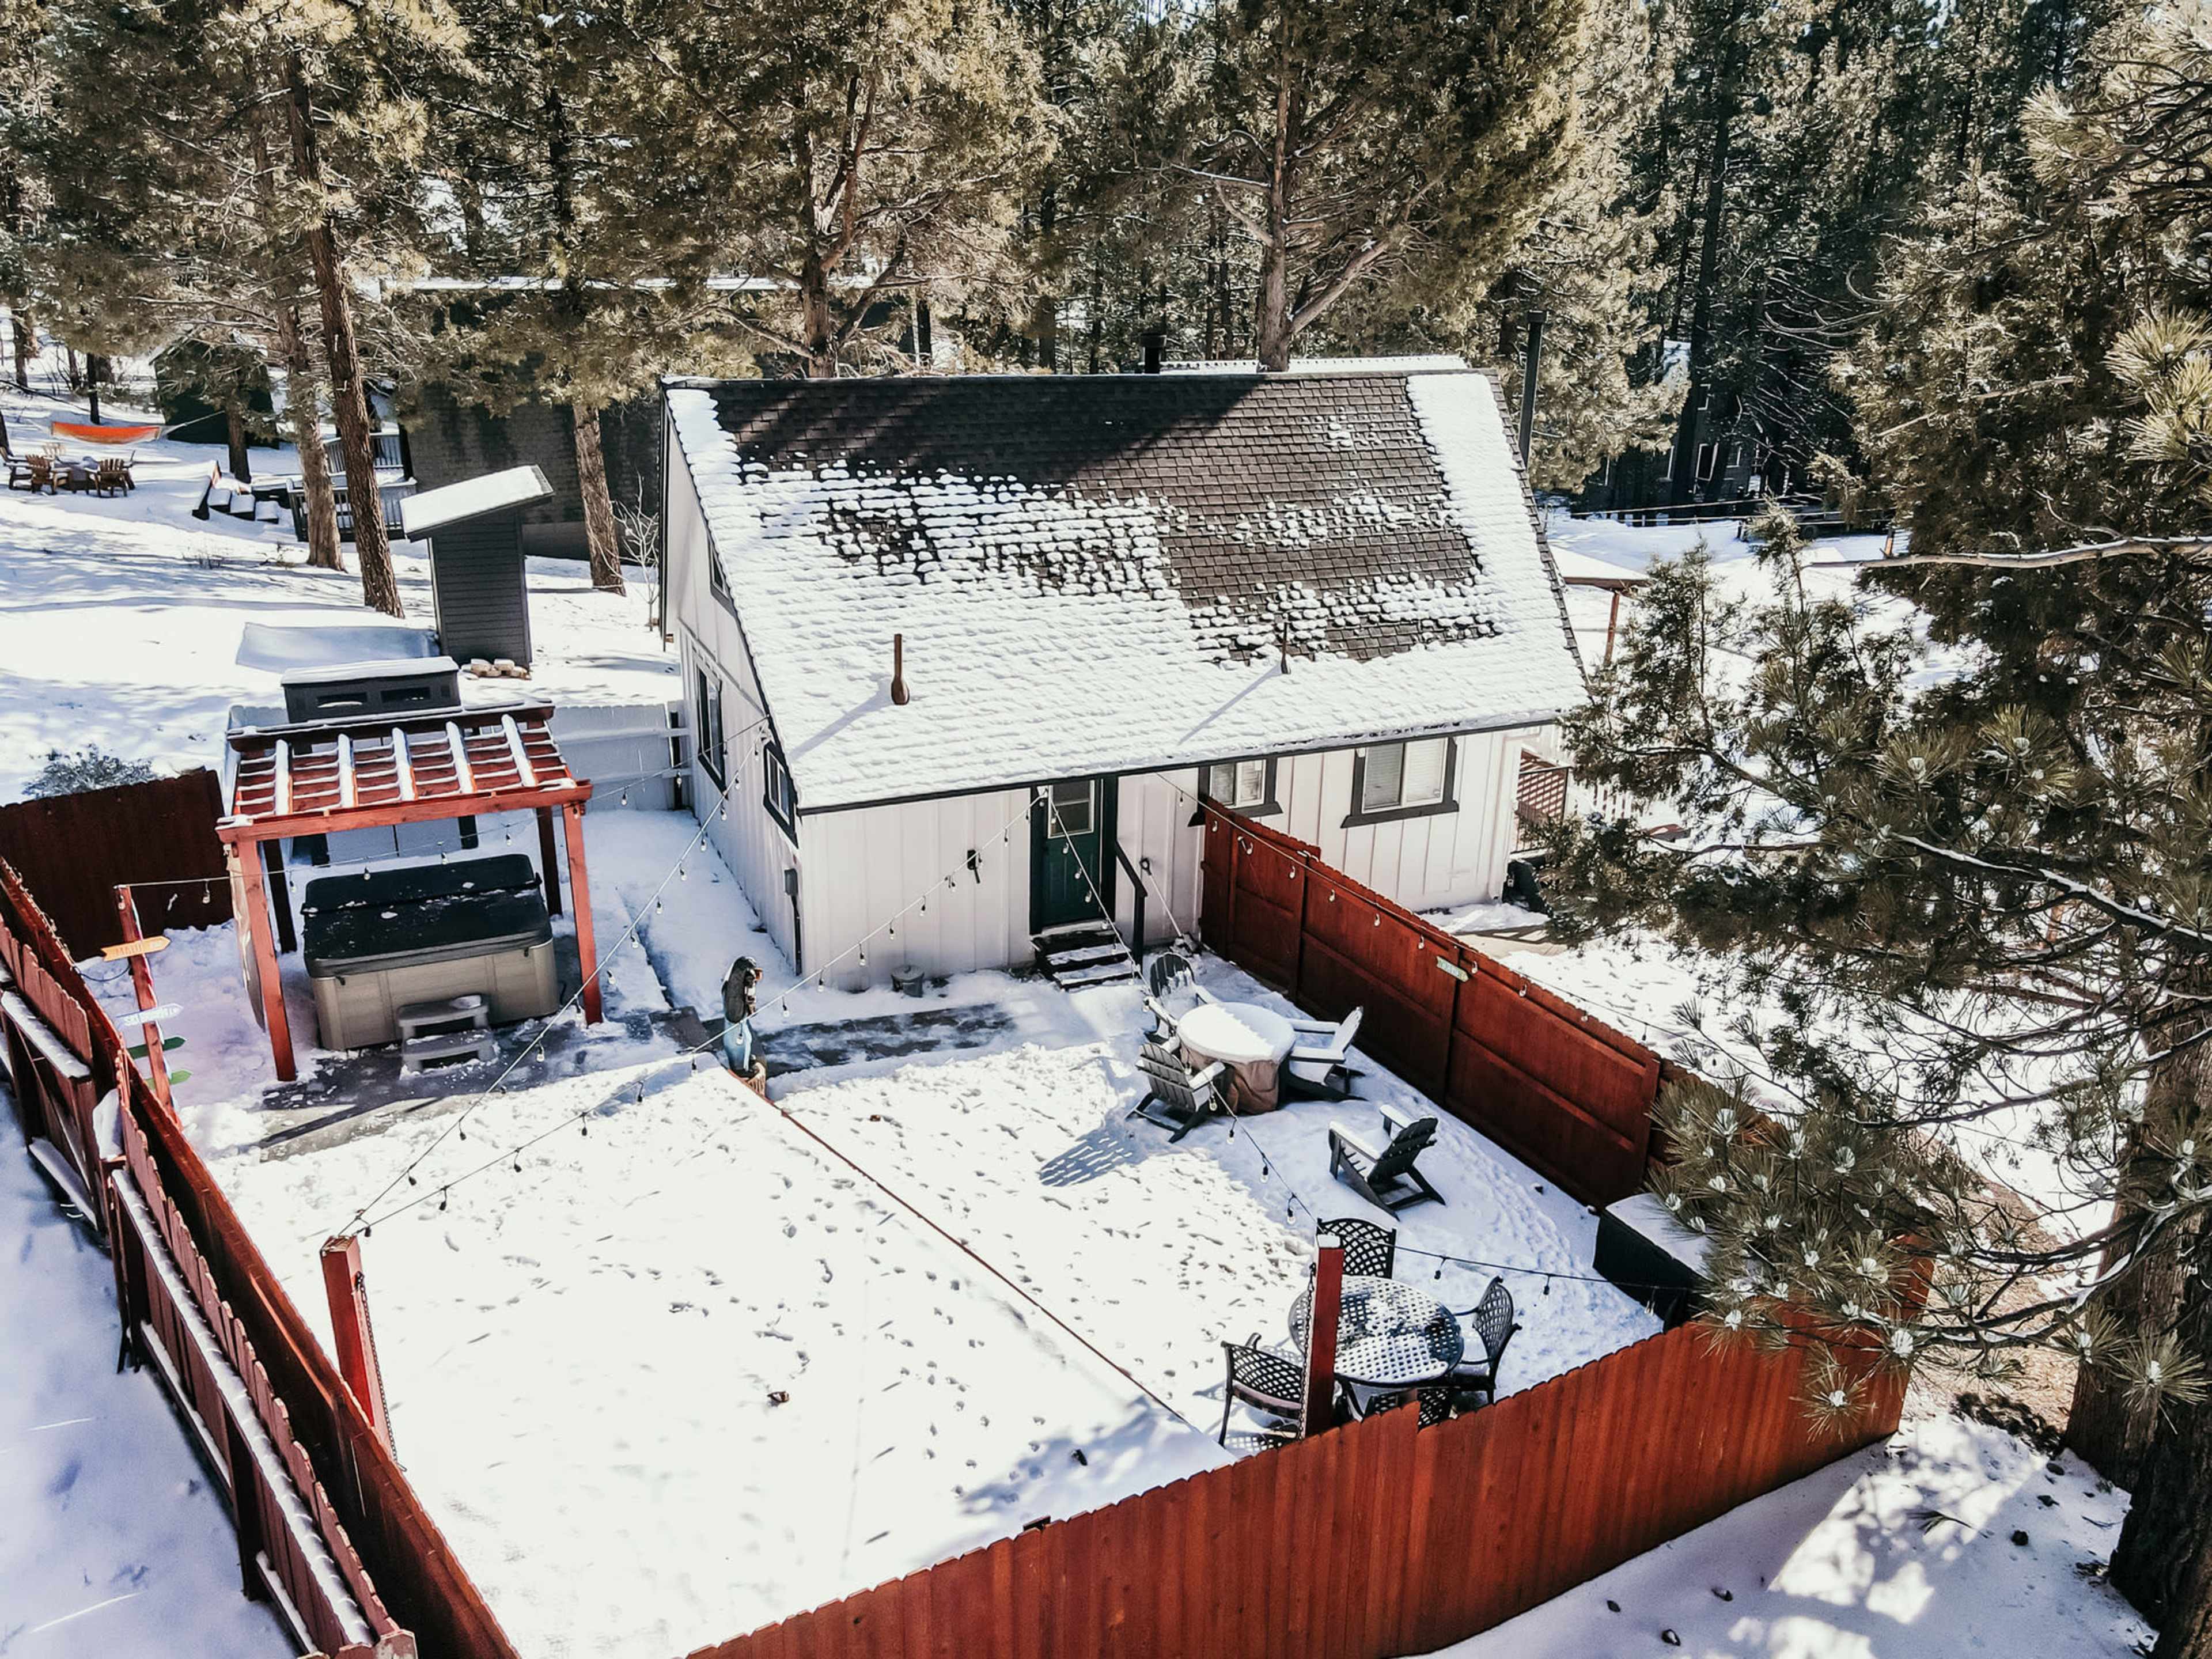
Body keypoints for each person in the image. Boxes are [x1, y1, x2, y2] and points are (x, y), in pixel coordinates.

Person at [720, 955, 767, 1089]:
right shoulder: (735, 990)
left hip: (740, 1019)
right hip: (736, 1021)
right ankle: (740, 1068)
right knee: (740, 1042)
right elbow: (734, 1001)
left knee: (747, 1039)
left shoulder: (739, 988)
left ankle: (744, 1063)